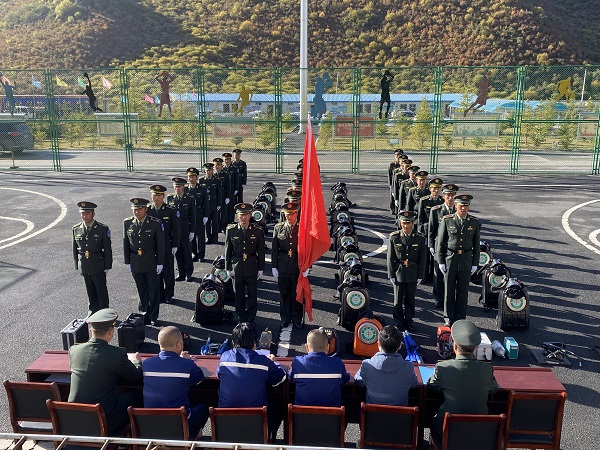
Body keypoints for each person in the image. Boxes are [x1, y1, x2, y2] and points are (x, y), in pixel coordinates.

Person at [68, 308, 142, 434]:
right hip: (104, 420)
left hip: (74, 418)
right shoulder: (117, 354)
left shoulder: (74, 350)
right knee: (136, 395)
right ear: (111, 332)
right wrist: (136, 361)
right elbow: (135, 376)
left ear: (91, 331)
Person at [427, 320, 498, 439]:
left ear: (454, 346)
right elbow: (494, 389)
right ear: (475, 348)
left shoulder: (443, 367)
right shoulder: (487, 369)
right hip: (480, 431)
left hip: (448, 431)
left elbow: (431, 386)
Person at [217, 322, 287, 440]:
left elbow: (219, 375)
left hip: (226, 422)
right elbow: (281, 378)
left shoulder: (224, 357)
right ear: (254, 343)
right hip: (255, 423)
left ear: (233, 342)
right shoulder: (263, 361)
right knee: (278, 406)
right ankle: (270, 438)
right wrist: (274, 362)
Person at [142, 326, 209, 438]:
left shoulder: (147, 364)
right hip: (179, 423)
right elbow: (199, 379)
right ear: (179, 344)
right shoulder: (187, 365)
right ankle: (192, 435)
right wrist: (187, 360)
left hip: (152, 422)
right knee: (204, 408)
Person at [435, 194, 481, 326]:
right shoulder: (447, 220)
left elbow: (476, 244)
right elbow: (441, 242)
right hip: (451, 258)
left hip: (466, 259)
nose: (463, 208)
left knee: (463, 290)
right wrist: (441, 261)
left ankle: (460, 317)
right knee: (449, 290)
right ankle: (448, 318)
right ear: (456, 206)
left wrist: (475, 263)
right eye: (461, 206)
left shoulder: (474, 222)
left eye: (466, 206)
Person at [123, 198, 165, 326]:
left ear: (145, 209)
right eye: (134, 209)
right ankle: (143, 314)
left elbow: (160, 244)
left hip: (151, 260)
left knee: (153, 290)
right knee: (141, 290)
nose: (136, 212)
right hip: (136, 261)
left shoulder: (155, 223)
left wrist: (160, 262)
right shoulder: (127, 223)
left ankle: (153, 316)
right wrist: (127, 261)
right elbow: (126, 243)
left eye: (139, 209)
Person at [354, 325, 418, 406]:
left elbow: (358, 382)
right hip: (400, 413)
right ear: (400, 346)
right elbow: (413, 384)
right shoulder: (408, 367)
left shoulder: (366, 365)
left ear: (378, 344)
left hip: (372, 413)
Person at [225, 203, 266, 323]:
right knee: (238, 295)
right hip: (237, 266)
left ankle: (251, 318)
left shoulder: (257, 231)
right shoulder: (231, 230)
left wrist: (261, 268)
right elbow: (228, 250)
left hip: (251, 265)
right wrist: (228, 267)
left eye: (246, 214)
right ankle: (241, 318)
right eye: (241, 215)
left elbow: (261, 251)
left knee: (252, 295)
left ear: (250, 215)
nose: (243, 217)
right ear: (237, 216)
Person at [387, 211, 427, 331]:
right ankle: (398, 320)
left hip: (412, 272)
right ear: (400, 223)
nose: (406, 225)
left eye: (408, 223)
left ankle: (409, 320)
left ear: (412, 223)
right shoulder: (394, 237)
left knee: (410, 298)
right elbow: (390, 257)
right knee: (398, 299)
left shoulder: (420, 238)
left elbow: (423, 259)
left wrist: (421, 275)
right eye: (403, 223)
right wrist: (391, 274)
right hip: (399, 271)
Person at [289, 328, 350, 406]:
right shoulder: (338, 363)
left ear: (307, 347)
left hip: (302, 413)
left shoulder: (297, 362)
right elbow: (345, 379)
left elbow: (291, 378)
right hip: (332, 414)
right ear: (328, 347)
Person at [72, 201, 112, 315]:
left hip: (98, 265)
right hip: (85, 265)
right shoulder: (76, 229)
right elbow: (75, 249)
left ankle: (104, 313)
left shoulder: (102, 229)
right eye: (82, 213)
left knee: (101, 291)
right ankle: (92, 311)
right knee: (90, 291)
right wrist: (77, 265)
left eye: (87, 213)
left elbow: (107, 249)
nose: (84, 216)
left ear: (93, 214)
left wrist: (108, 266)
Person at [271, 202, 304, 328]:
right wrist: (274, 266)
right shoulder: (278, 227)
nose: (289, 217)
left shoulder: (302, 228)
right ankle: (285, 317)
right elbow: (275, 249)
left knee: (297, 294)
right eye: (287, 214)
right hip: (283, 264)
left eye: (291, 214)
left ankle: (297, 318)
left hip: (297, 264)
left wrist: (307, 266)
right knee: (284, 293)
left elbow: (307, 249)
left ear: (296, 213)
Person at [147, 185, 180, 304]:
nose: (156, 197)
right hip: (152, 247)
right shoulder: (147, 210)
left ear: (163, 196)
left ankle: (169, 294)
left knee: (168, 271)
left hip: (166, 245)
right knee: (156, 273)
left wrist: (175, 244)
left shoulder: (170, 210)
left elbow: (176, 229)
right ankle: (160, 294)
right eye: (154, 195)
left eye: (159, 195)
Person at [428, 184, 458, 308]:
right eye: (448, 195)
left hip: (453, 247)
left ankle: (449, 297)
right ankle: (439, 297)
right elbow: (431, 229)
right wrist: (431, 245)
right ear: (443, 196)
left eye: (452, 195)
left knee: (451, 273)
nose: (450, 198)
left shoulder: (459, 210)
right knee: (438, 274)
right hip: (439, 246)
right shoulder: (436, 210)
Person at [166, 177, 196, 282]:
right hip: (174, 230)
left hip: (185, 229)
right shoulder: (170, 198)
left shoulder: (189, 198)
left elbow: (193, 216)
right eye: (175, 187)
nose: (177, 189)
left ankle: (188, 273)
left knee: (187, 251)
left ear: (183, 187)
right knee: (177, 252)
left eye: (179, 186)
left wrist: (192, 231)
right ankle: (181, 272)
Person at [185, 167, 209, 262]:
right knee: (192, 235)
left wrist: (206, 215)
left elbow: (206, 203)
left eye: (193, 177)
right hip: (189, 215)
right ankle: (194, 253)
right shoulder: (185, 189)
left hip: (199, 213)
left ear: (197, 177)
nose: (191, 179)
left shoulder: (202, 189)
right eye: (189, 177)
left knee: (200, 235)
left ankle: (201, 254)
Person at [200, 162, 222, 244]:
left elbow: (219, 193)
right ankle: (208, 237)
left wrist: (219, 204)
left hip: (214, 203)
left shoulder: (217, 180)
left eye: (210, 170)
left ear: (212, 170)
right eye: (207, 170)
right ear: (205, 171)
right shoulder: (201, 180)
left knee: (215, 222)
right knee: (207, 222)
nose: (208, 172)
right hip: (205, 204)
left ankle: (215, 238)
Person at [213, 157, 233, 232]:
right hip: (216, 197)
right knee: (216, 213)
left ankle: (223, 227)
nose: (217, 167)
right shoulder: (213, 175)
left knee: (224, 213)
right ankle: (217, 227)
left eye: (218, 165)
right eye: (216, 165)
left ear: (222, 166)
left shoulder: (226, 175)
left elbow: (228, 187)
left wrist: (228, 197)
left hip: (223, 196)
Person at [222, 152, 240, 225]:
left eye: (228, 159)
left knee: (231, 205)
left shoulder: (234, 168)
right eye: (225, 159)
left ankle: (231, 220)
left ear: (230, 160)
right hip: (224, 190)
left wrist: (236, 189)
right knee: (225, 206)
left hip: (232, 189)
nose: (226, 161)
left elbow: (237, 180)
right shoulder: (223, 169)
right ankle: (225, 220)